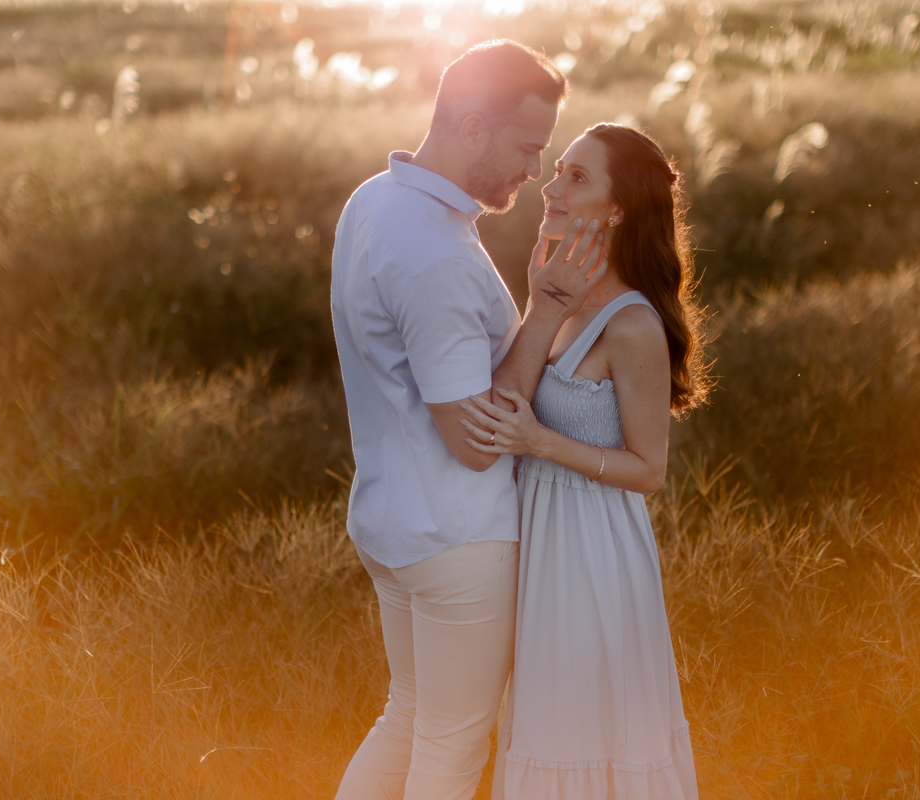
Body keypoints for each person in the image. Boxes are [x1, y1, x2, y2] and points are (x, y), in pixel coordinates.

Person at [329, 40, 611, 800]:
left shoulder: (374, 202)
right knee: (453, 751)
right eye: (527, 148)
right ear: (475, 126)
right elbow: (476, 440)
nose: (533, 171)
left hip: (392, 521)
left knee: (409, 718)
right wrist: (546, 310)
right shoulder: (437, 255)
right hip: (456, 539)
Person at [458, 123, 711, 799]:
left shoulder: (632, 325)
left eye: (577, 176)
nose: (552, 185)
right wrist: (540, 306)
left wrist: (540, 443)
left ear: (619, 205)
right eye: (558, 169)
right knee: (541, 726)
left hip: (593, 552)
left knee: (584, 732)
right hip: (537, 540)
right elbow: (498, 410)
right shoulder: (560, 294)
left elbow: (648, 470)